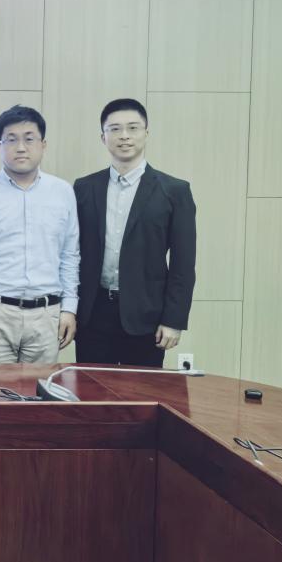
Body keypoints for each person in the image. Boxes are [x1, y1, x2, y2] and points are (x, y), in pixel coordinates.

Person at [74, 98, 196, 367]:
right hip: (93, 314)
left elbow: (183, 264)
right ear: (103, 137)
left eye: (133, 128)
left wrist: (173, 320)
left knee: (141, 391)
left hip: (147, 316)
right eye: (115, 129)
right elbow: (73, 254)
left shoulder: (175, 191)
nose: (124, 136)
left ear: (146, 133)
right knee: (92, 389)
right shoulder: (84, 188)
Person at [0, 105, 79, 364]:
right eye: (11, 139)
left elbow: (70, 255)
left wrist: (69, 309)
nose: (20, 147)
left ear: (43, 145)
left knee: (40, 389)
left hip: (46, 314)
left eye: (29, 139)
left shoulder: (62, 192)